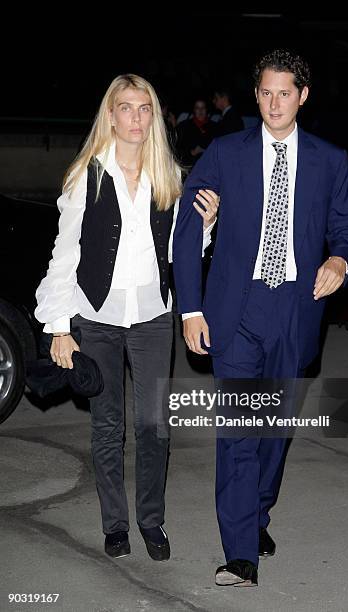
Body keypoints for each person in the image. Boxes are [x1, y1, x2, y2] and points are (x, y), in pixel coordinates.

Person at [173, 49, 348, 586]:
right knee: (238, 430)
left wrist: (339, 258)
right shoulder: (225, 153)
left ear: (303, 96)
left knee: (274, 431)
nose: (274, 103)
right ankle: (240, 554)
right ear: (255, 95)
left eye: (285, 93)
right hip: (237, 308)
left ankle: (256, 515)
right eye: (265, 92)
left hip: (297, 310)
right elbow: (189, 231)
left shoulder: (331, 160)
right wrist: (190, 307)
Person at [35, 74, 219, 562]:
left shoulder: (170, 176)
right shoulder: (86, 175)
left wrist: (204, 224)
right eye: (127, 107)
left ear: (153, 116)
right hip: (97, 315)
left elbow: (184, 251)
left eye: (145, 108)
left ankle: (151, 521)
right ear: (110, 115)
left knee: (156, 424)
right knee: (107, 424)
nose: (136, 117)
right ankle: (115, 525)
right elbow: (64, 252)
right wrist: (57, 324)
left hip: (155, 315)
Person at [176, 98, 217, 167]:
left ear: (206, 109)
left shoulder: (215, 127)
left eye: (203, 108)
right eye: (197, 108)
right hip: (191, 167)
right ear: (194, 110)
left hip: (210, 167)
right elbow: (178, 150)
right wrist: (192, 153)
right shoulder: (184, 126)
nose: (200, 110)